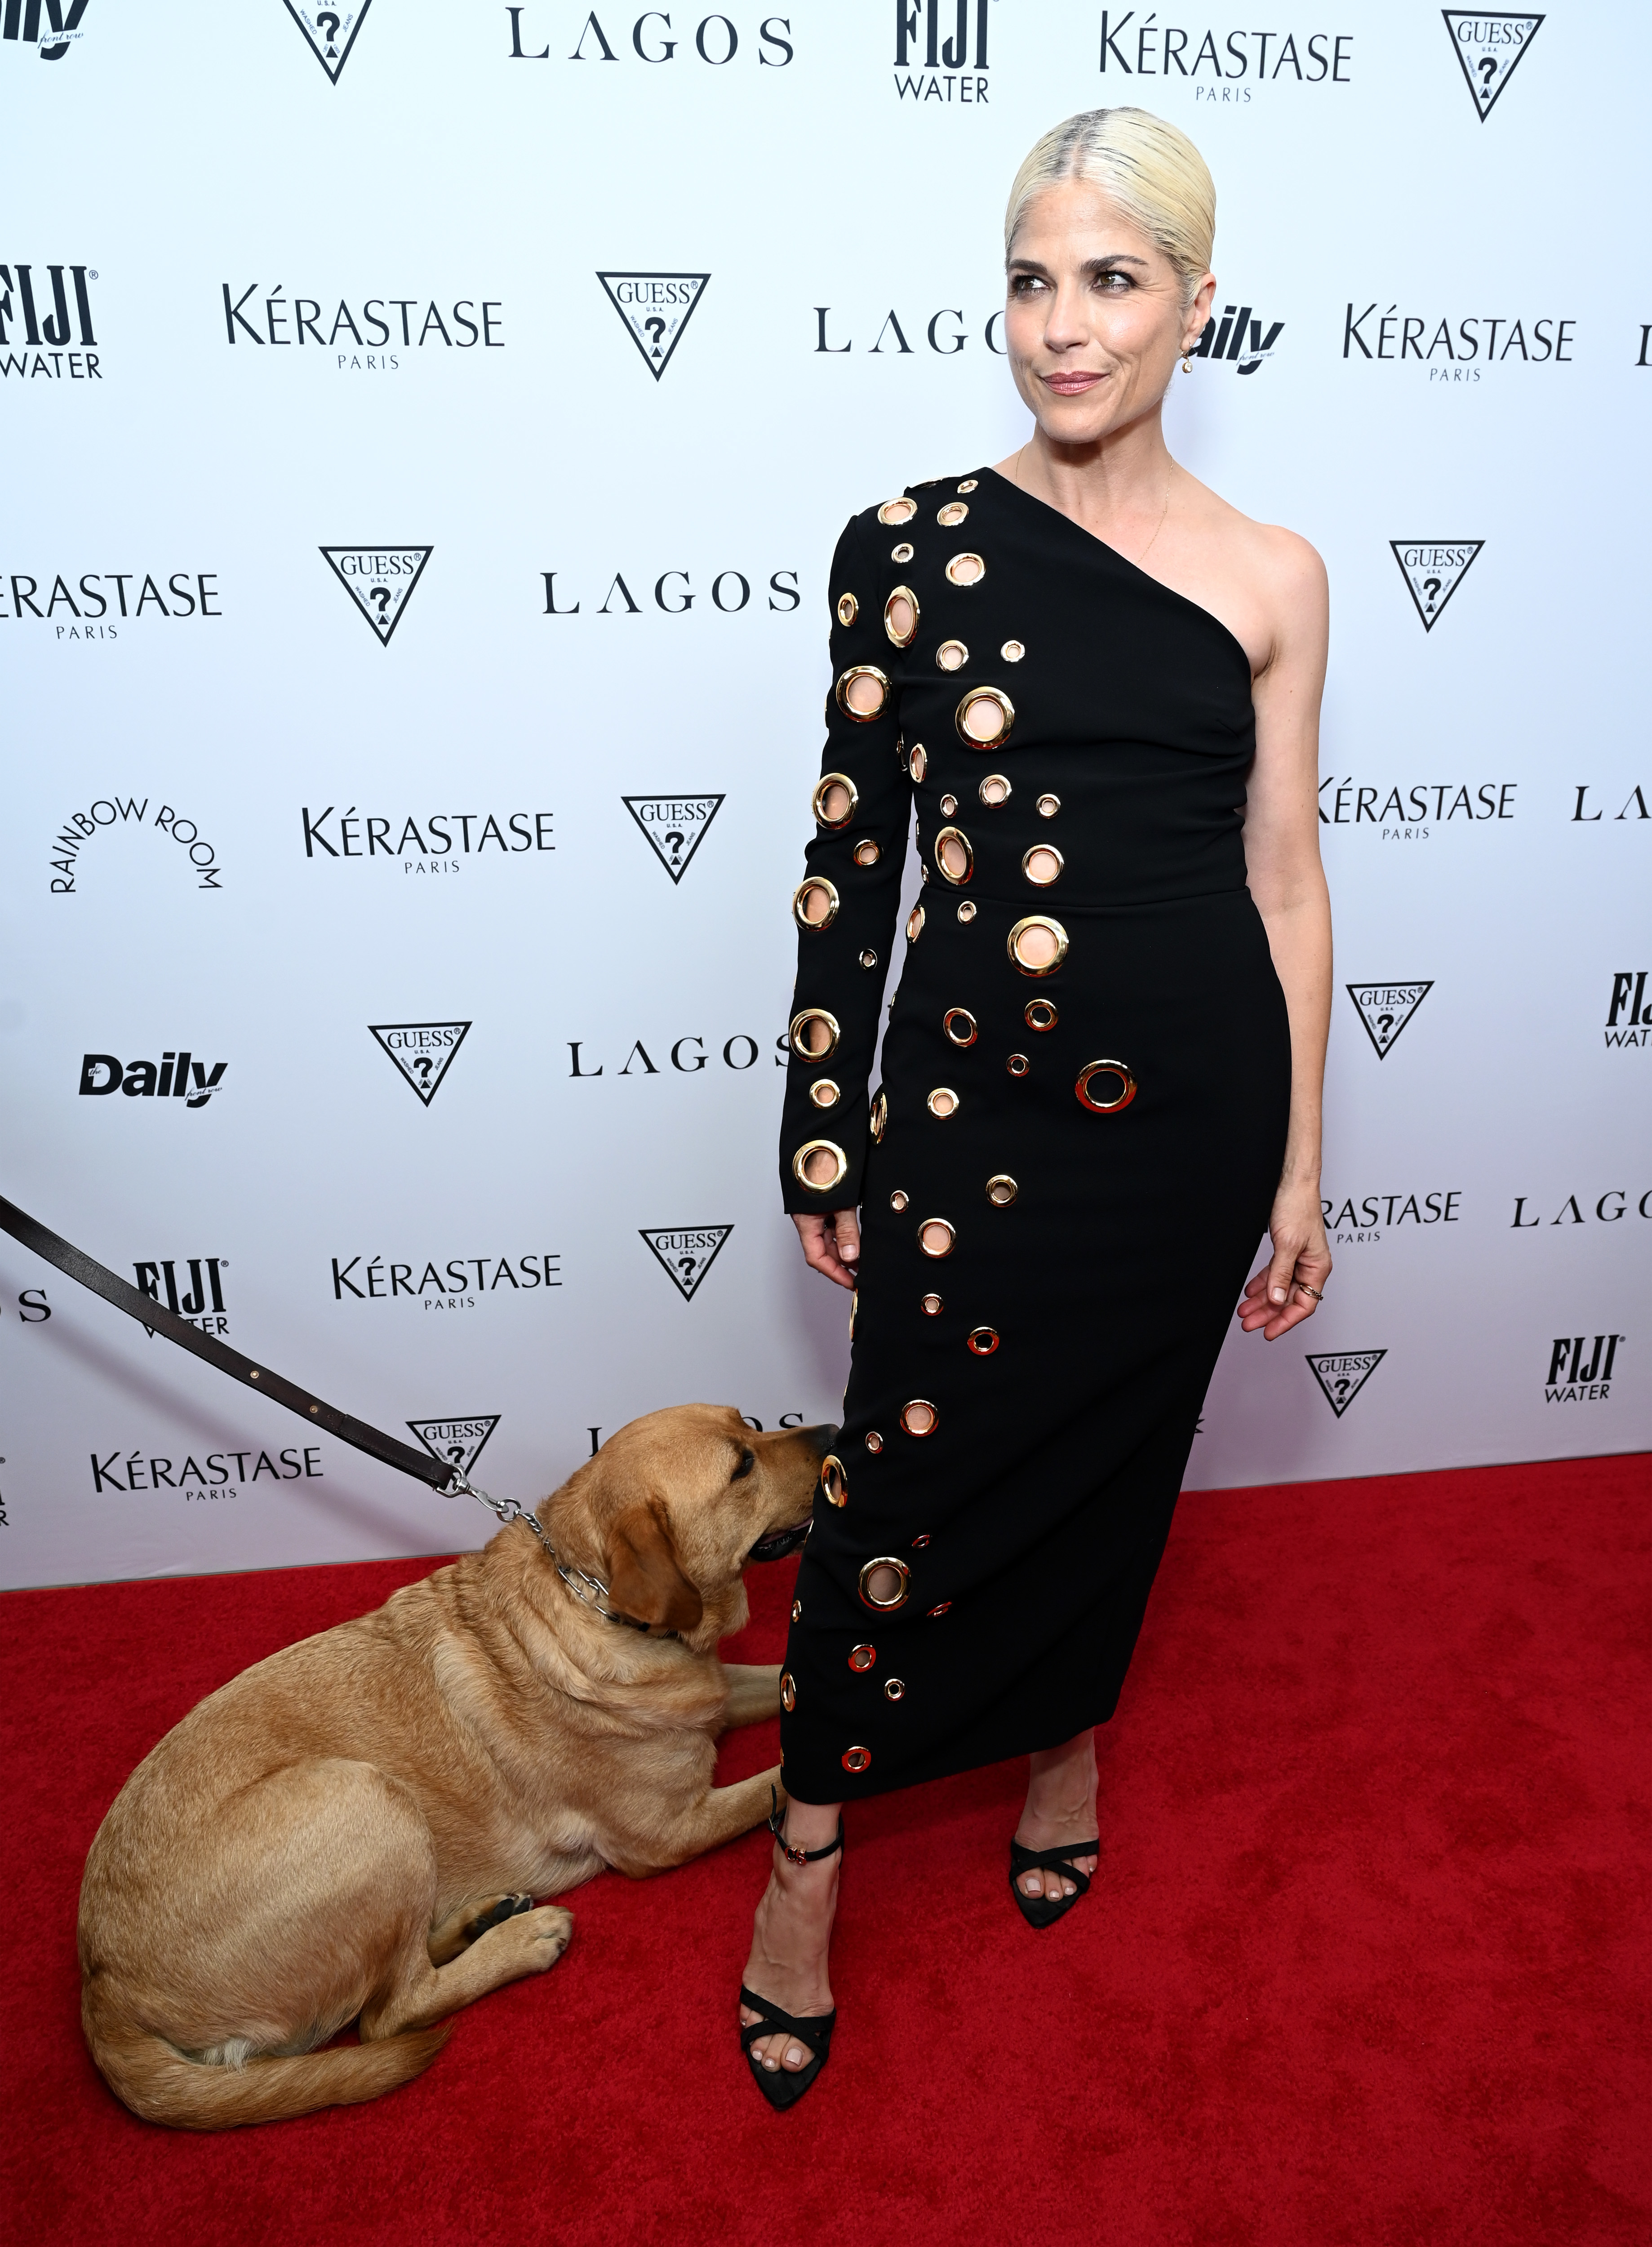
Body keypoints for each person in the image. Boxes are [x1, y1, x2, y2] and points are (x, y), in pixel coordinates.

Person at [738, 106, 1332, 2107]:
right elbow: (853, 865)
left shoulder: (1273, 574)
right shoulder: (906, 550)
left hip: (1191, 1121)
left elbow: (1283, 875)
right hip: (972, 1112)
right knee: (895, 1482)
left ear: (1193, 304)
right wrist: (829, 1121)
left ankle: (1060, 1741)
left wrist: (1300, 1162)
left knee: (1117, 1461)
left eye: (1109, 280)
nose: (1059, 329)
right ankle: (806, 1858)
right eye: (1028, 279)